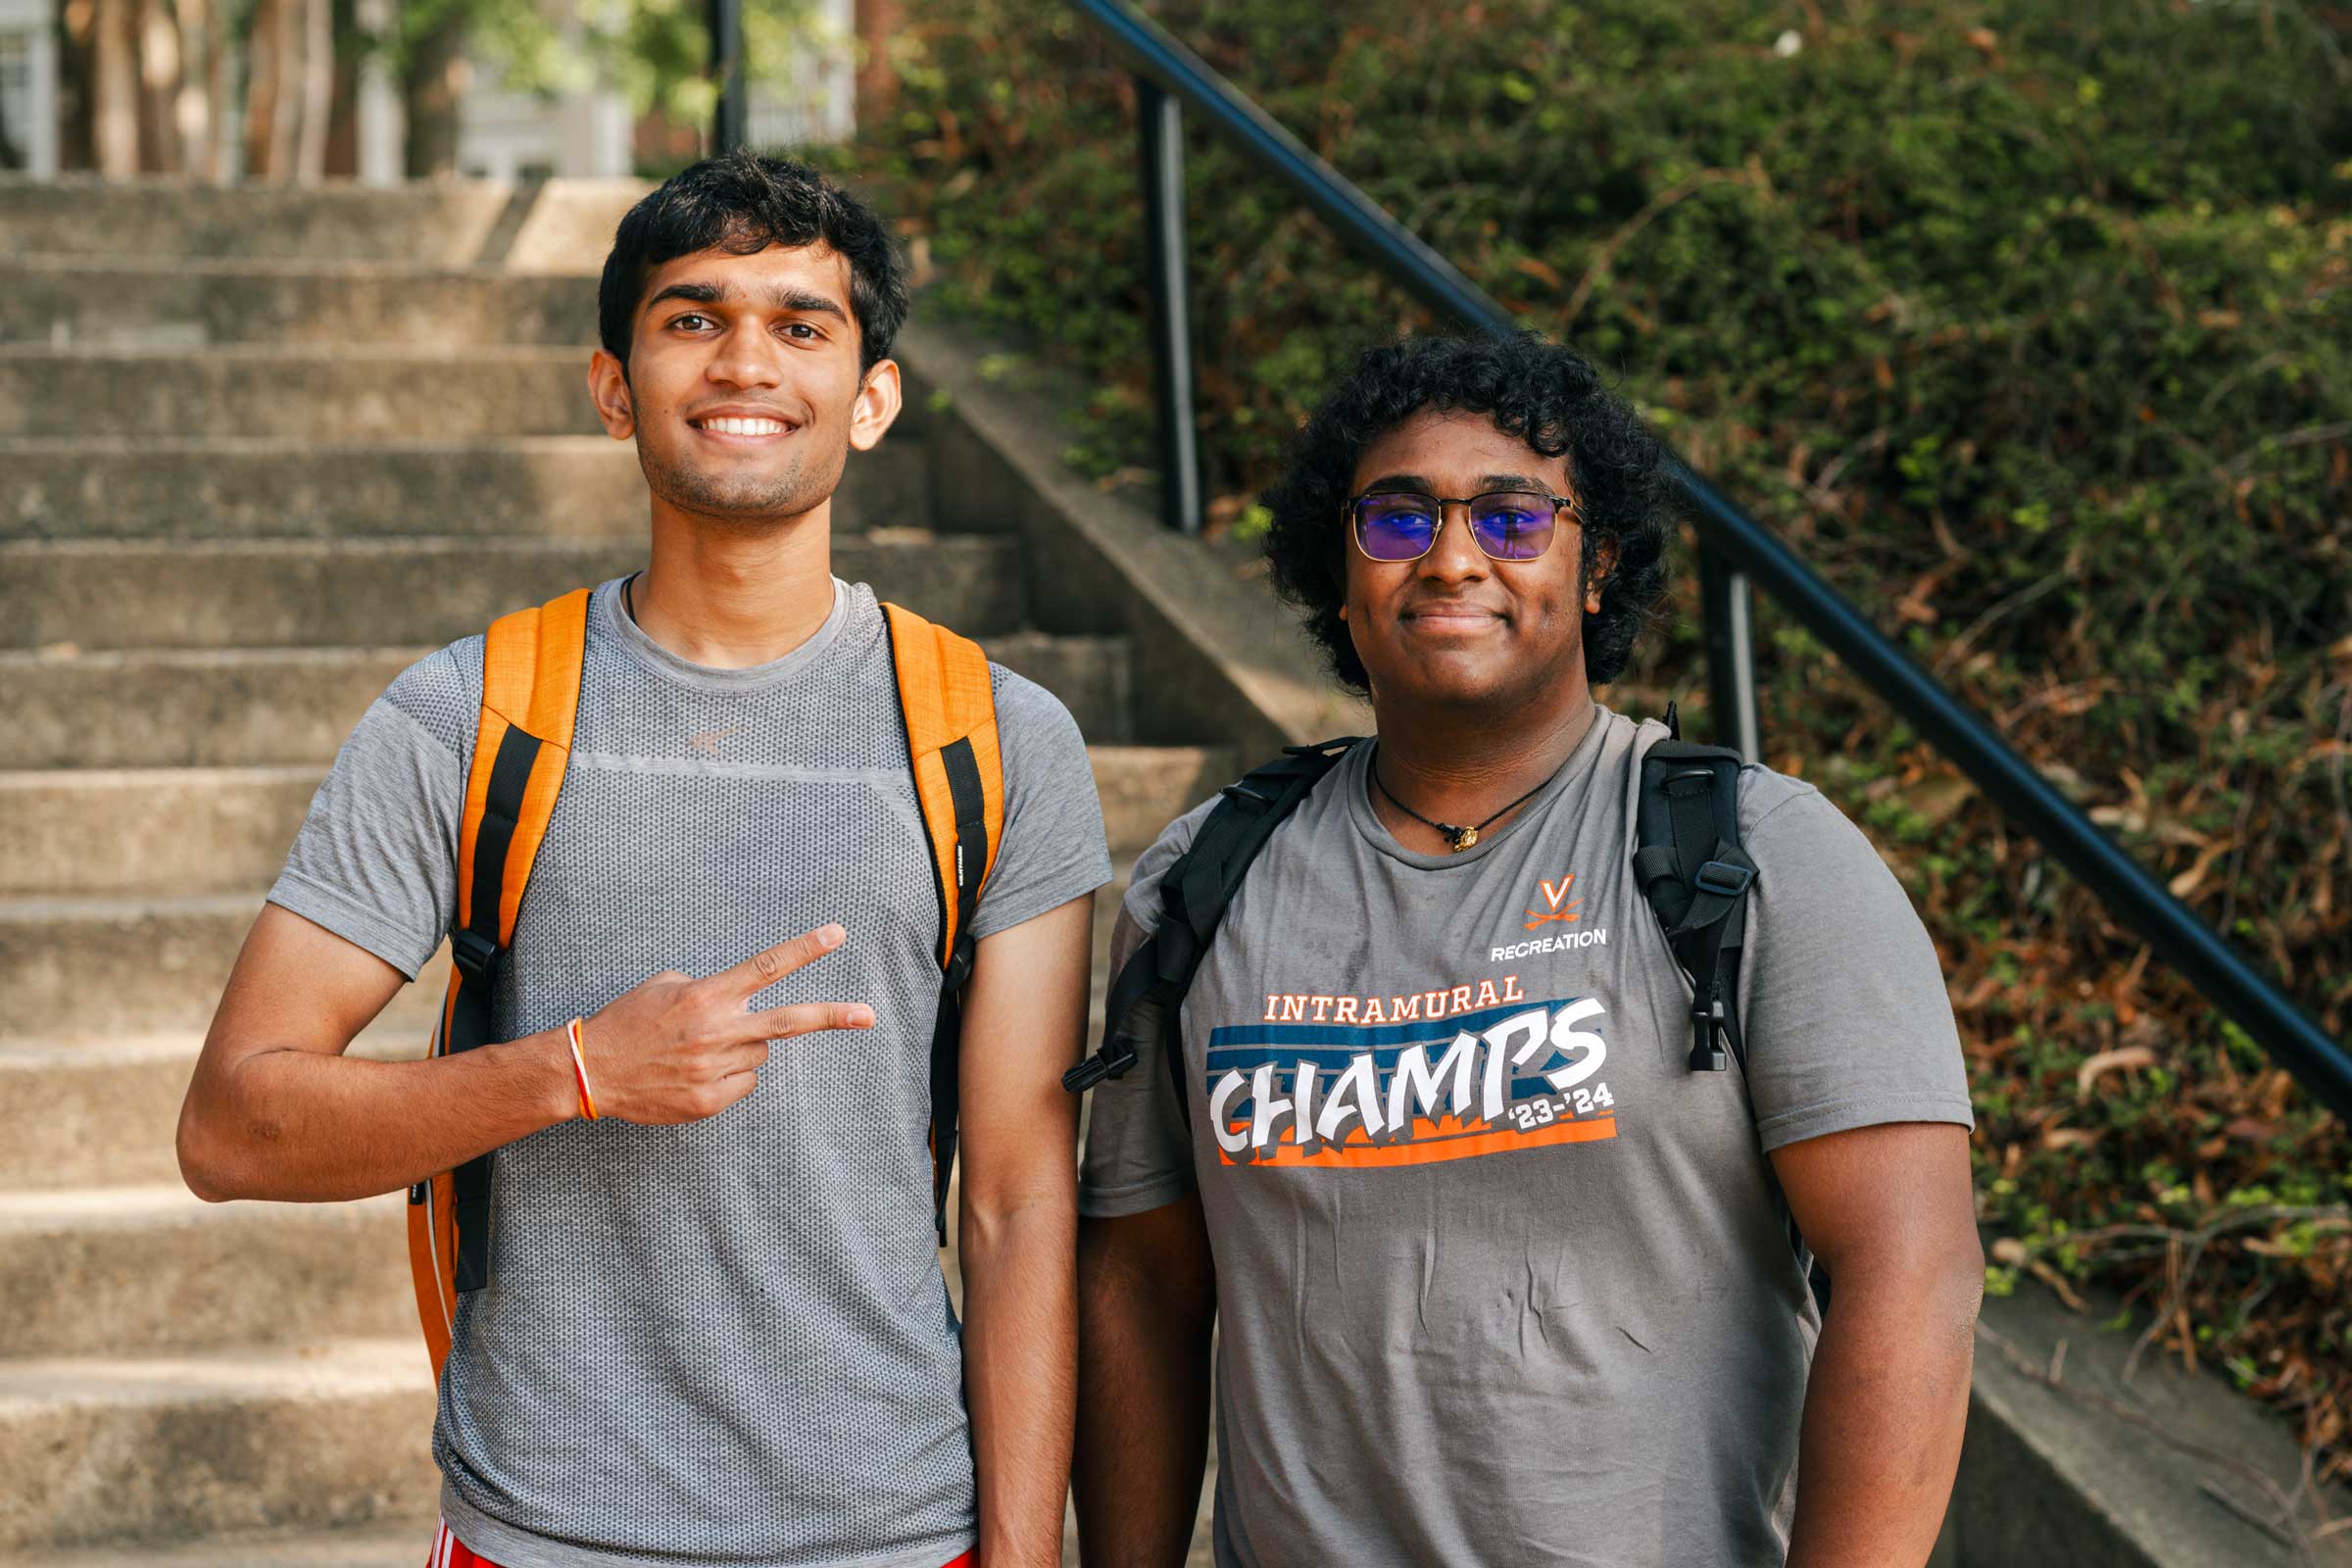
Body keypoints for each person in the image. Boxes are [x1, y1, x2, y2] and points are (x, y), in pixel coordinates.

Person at [176, 151, 1107, 1568]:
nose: (747, 360)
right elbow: (232, 1129)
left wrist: (1029, 1555)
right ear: (615, 384)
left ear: (872, 398)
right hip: (542, 1531)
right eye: (692, 318)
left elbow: (1018, 1197)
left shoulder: (994, 739)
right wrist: (580, 1070)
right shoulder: (471, 719)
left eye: (802, 325)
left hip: (898, 1531)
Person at [1071, 331, 1983, 1567]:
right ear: (1338, 572)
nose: (1451, 558)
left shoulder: (1758, 855)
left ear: (1595, 564)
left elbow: (1912, 1271)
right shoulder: (1202, 879)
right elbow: (1144, 1286)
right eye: (1395, 519)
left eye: (1511, 519)